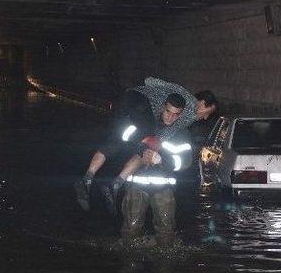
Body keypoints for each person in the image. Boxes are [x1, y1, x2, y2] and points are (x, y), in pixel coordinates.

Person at [75, 78, 218, 212]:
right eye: (208, 112)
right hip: (139, 106)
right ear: (203, 102)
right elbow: (166, 133)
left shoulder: (179, 93)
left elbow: (151, 80)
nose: (205, 117)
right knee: (144, 139)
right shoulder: (188, 113)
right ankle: (114, 184)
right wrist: (157, 148)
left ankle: (89, 178)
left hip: (128, 98)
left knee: (115, 141)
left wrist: (146, 85)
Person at [119, 93, 193, 246]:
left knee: (166, 232)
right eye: (168, 111)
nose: (170, 117)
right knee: (130, 230)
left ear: (181, 115)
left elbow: (185, 163)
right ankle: (129, 266)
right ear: (162, 108)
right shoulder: (146, 122)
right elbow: (124, 139)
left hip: (163, 188)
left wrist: (161, 160)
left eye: (175, 114)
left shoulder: (182, 134)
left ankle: (164, 268)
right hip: (136, 185)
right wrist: (141, 148)